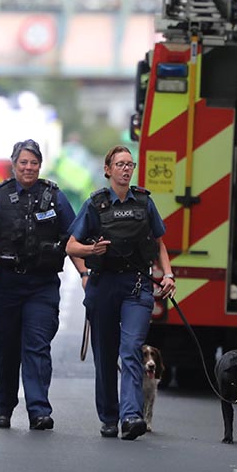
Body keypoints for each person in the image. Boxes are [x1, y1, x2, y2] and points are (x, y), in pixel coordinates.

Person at [0, 139, 87, 431]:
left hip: (41, 285)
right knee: (6, 348)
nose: (28, 167)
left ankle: (39, 410)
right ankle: (3, 407)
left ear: (40, 165)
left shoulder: (54, 197)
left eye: (34, 163)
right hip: (6, 285)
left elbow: (72, 240)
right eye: (23, 162)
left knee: (37, 346)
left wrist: (85, 274)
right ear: (14, 164)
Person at [65, 145, 176, 441]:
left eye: (130, 164)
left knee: (132, 349)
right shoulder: (96, 204)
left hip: (137, 286)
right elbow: (71, 245)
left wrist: (167, 274)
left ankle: (131, 416)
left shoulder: (144, 202)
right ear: (108, 169)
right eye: (120, 164)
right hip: (103, 286)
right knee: (105, 355)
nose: (126, 169)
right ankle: (109, 418)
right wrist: (92, 252)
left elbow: (159, 243)